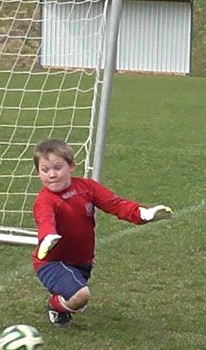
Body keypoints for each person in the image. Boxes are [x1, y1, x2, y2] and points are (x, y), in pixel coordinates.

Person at [31, 139, 172, 327]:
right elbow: (45, 220)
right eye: (45, 170)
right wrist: (48, 237)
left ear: (71, 166)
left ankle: (62, 302)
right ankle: (55, 307)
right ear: (38, 172)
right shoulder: (45, 200)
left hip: (82, 261)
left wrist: (142, 214)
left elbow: (115, 204)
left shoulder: (87, 188)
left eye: (57, 167)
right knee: (81, 296)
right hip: (51, 262)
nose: (52, 175)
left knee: (76, 298)